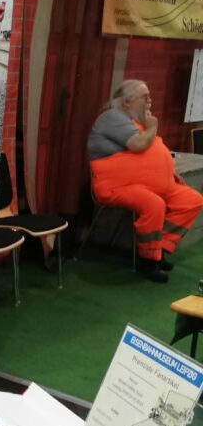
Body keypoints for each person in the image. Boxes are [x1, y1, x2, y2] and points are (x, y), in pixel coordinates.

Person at [86, 80, 203, 283]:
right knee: (154, 204)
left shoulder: (136, 120)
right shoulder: (112, 117)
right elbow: (139, 145)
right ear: (127, 102)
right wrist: (153, 126)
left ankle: (160, 250)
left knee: (192, 200)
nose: (150, 101)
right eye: (145, 97)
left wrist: (168, 171)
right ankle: (148, 260)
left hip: (151, 184)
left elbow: (151, 151)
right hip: (117, 187)